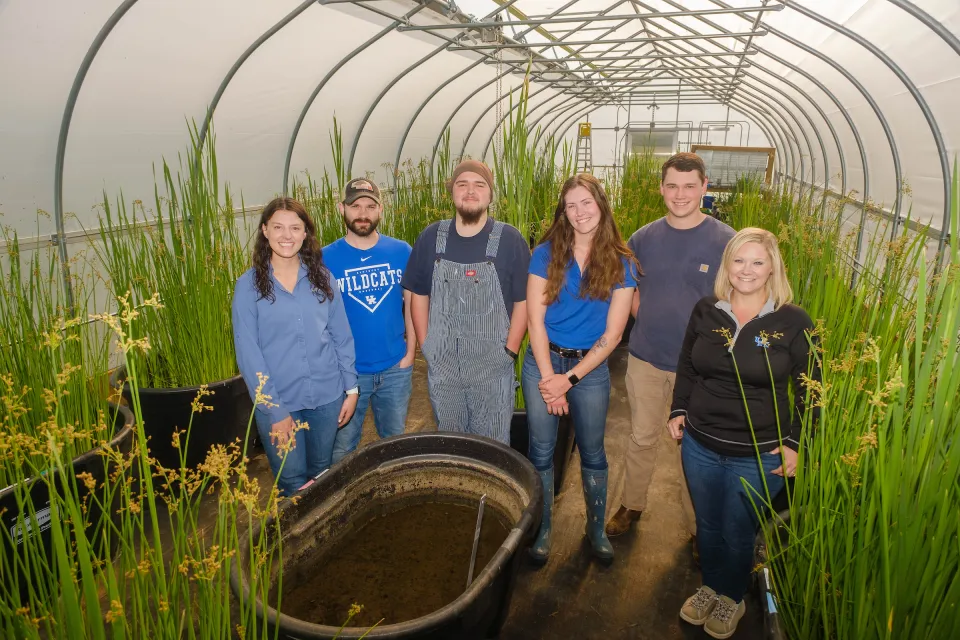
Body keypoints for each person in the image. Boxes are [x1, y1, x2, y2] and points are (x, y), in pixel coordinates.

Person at [670, 227, 814, 638]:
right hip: (699, 443)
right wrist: (679, 408)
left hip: (758, 452)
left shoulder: (793, 321)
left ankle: (731, 596)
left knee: (738, 530)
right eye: (738, 260)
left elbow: (810, 389)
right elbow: (687, 364)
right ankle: (709, 587)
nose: (746, 270)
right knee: (708, 525)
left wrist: (795, 444)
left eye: (757, 261)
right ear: (726, 265)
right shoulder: (707, 309)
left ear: (772, 268)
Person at [606, 153, 735, 551]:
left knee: (695, 448)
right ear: (662, 189)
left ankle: (699, 527)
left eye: (690, 186)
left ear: (705, 188)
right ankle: (632, 505)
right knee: (642, 436)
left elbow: (736, 299)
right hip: (646, 358)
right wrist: (644, 318)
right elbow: (628, 290)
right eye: (673, 186)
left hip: (700, 369)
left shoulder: (726, 240)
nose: (681, 194)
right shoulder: (643, 238)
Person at [524, 173, 638, 564]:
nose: (579, 212)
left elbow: (614, 334)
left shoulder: (622, 262)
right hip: (542, 362)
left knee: (592, 450)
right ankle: (542, 530)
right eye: (570, 205)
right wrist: (548, 379)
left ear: (601, 205)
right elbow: (535, 323)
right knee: (540, 450)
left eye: (586, 202)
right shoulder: (545, 254)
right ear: (563, 211)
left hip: (589, 368)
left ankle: (594, 529)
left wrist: (569, 379)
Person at [232, 197, 358, 496]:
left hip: (328, 398)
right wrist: (275, 411)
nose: (286, 235)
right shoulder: (248, 287)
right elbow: (249, 355)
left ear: (306, 234)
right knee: (292, 482)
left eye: (295, 227)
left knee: (322, 473)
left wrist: (351, 389)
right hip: (279, 403)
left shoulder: (323, 279)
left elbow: (341, 336)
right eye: (278, 227)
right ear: (264, 231)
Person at [401, 160, 530, 444]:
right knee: (452, 441)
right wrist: (428, 345)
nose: (470, 191)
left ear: (490, 194)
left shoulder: (509, 239)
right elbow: (418, 294)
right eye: (462, 184)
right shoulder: (432, 237)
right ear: (452, 192)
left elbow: (524, 301)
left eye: (479, 185)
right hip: (443, 364)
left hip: (493, 365)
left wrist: (509, 351)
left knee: (493, 445)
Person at [323, 178, 414, 463]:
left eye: (370, 206)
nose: (363, 213)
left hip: (395, 369)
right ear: (342, 209)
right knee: (342, 449)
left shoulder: (401, 251)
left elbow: (412, 303)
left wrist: (410, 352)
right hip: (347, 374)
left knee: (395, 443)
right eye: (355, 206)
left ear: (380, 210)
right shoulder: (324, 258)